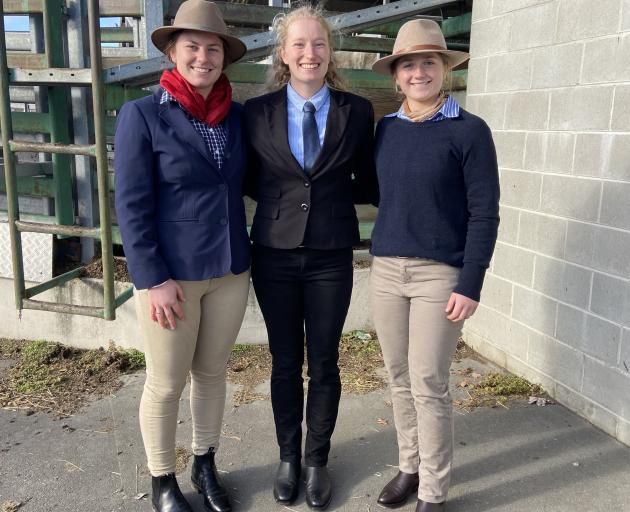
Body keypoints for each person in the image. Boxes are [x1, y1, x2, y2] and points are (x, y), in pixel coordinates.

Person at [113, 1, 250, 511]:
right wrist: (152, 277)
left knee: (212, 373)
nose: (203, 56)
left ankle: (205, 461)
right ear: (173, 53)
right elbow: (130, 204)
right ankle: (162, 478)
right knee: (167, 381)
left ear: (223, 58)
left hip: (231, 269)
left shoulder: (236, 116)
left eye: (213, 48)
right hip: (172, 277)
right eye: (192, 46)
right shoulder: (142, 114)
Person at [243, 6, 377, 510]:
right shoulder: (256, 113)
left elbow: (367, 179)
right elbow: (253, 181)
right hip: (274, 254)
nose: (309, 53)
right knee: (283, 361)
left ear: (330, 51)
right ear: (283, 53)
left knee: (324, 361)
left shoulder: (357, 111)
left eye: (318, 44)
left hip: (330, 256)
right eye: (298, 44)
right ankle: (287, 456)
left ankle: (317, 458)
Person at [369, 19, 500, 512]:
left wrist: (471, 282)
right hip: (386, 270)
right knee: (398, 376)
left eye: (429, 62)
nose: (419, 71)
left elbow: (484, 212)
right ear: (396, 76)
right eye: (409, 64)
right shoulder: (386, 130)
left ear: (444, 69)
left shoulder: (470, 132)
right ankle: (410, 466)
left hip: (439, 275)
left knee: (428, 382)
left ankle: (434, 491)